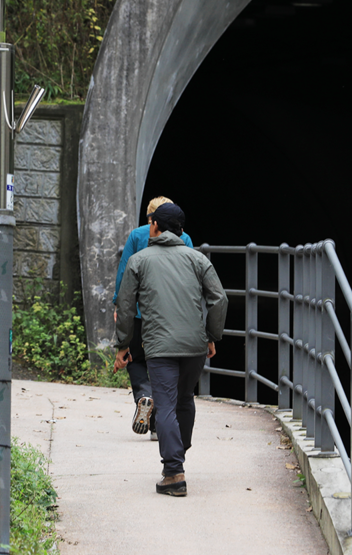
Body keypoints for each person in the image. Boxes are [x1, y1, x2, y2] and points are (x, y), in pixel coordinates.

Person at [114, 203, 227, 497]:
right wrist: (211, 335)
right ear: (181, 230)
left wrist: (123, 345)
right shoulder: (197, 259)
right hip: (194, 346)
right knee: (185, 398)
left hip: (160, 346)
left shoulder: (139, 261)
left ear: (154, 226)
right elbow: (219, 299)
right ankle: (178, 452)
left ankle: (174, 472)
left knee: (165, 404)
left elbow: (125, 306)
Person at [112, 196, 193, 440]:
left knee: (135, 359)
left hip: (138, 313)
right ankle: (158, 426)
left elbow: (124, 272)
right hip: (172, 316)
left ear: (151, 218)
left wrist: (119, 303)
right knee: (166, 366)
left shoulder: (137, 236)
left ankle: (143, 395)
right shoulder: (185, 238)